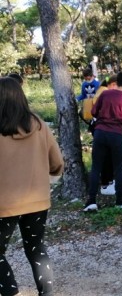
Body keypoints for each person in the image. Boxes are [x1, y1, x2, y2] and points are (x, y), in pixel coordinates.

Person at [0, 77, 64, 296]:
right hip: (37, 200)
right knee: (36, 248)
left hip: (3, 204)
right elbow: (56, 163)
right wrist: (51, 175)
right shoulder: (38, 124)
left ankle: (10, 291)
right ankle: (46, 293)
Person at [83, 70, 122, 212]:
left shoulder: (105, 93)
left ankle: (91, 201)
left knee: (96, 166)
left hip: (100, 133)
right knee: (118, 167)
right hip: (116, 134)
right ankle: (120, 199)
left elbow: (94, 112)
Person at [92, 75, 119, 196]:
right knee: (107, 157)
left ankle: (104, 183)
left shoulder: (101, 91)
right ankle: (106, 183)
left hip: (98, 128)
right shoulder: (106, 93)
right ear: (113, 84)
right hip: (104, 128)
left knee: (102, 157)